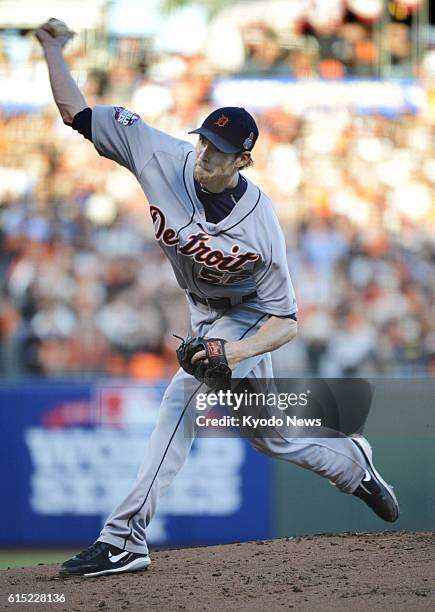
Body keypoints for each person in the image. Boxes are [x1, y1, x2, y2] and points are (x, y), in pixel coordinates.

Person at [35, 20, 399, 578]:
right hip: (204, 311)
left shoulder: (262, 223)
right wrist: (53, 50)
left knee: (182, 398)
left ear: (243, 161)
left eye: (221, 149)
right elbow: (77, 115)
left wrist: (230, 353)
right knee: (272, 437)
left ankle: (123, 538)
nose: (206, 154)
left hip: (250, 318)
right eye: (205, 139)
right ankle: (355, 463)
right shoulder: (158, 153)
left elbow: (287, 320)